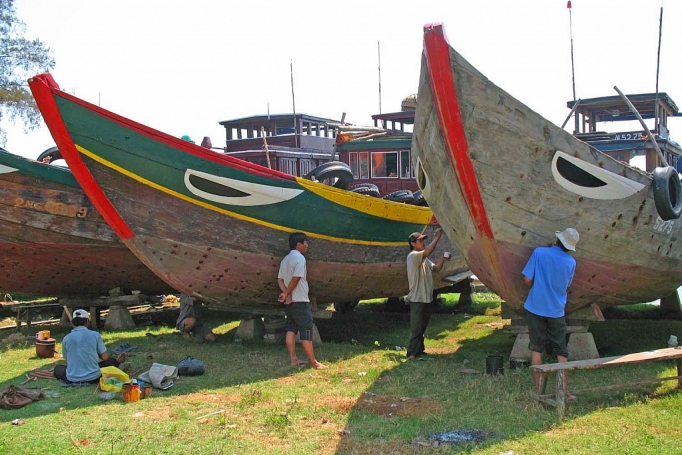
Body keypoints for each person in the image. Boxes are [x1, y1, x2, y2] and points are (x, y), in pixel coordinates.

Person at [522, 228, 579, 397]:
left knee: (536, 348)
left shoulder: (539, 253)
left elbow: (527, 280)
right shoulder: (571, 262)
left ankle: (538, 391)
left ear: (556, 239)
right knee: (561, 351)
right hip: (556, 310)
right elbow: (567, 285)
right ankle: (564, 391)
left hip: (535, 306)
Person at [277, 232, 327, 369]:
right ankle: (314, 363)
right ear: (299, 244)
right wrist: (287, 293)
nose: (307, 246)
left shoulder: (285, 259)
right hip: (300, 300)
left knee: (291, 328)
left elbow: (280, 279)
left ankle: (293, 359)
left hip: (291, 302)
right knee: (306, 330)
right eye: (305, 243)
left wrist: (286, 294)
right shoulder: (300, 258)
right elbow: (297, 278)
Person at [405, 228, 448, 360]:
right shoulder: (413, 256)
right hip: (417, 298)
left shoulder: (424, 259)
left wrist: (443, 260)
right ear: (413, 244)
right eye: (420, 240)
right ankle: (411, 353)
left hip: (426, 298)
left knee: (422, 326)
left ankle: (419, 350)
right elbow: (428, 251)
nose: (423, 242)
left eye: (423, 240)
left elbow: (435, 269)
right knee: (416, 327)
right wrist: (437, 238)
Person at [53, 309, 127, 384]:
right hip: (94, 377)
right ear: (87, 321)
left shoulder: (66, 338)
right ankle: (117, 362)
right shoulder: (95, 335)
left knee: (58, 369)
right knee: (108, 362)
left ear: (73, 322)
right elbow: (105, 357)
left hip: (73, 378)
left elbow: (66, 357)